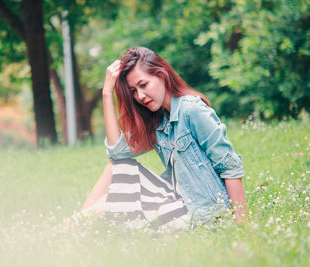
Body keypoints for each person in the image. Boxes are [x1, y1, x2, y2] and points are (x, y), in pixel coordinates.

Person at [80, 47, 247, 229]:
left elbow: (230, 168)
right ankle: (74, 227)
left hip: (203, 214)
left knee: (105, 206)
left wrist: (241, 226)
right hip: (179, 203)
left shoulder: (192, 110)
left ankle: (69, 229)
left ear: (162, 75)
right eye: (134, 91)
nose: (140, 96)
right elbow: (117, 154)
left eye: (143, 85)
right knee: (114, 168)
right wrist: (106, 94)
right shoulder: (158, 122)